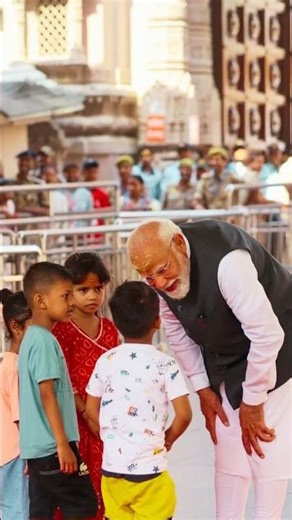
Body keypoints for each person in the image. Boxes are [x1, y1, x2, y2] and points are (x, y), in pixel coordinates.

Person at [127, 219, 292, 520]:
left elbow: (268, 335)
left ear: (178, 244)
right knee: (228, 449)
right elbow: (176, 331)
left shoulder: (228, 264)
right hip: (225, 357)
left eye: (163, 271)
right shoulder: (162, 276)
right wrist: (202, 389)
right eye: (149, 278)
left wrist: (253, 401)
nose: (160, 283)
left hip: (280, 349)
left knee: (264, 450)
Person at [86, 281, 192, 520]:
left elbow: (91, 408)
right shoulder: (165, 364)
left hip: (112, 472)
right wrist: (168, 439)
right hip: (150, 473)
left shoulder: (106, 360)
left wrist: (111, 431)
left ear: (116, 322)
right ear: (158, 321)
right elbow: (184, 415)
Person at [18, 262, 98, 519]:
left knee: (41, 511)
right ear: (40, 300)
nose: (72, 302)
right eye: (65, 296)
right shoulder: (43, 341)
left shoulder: (30, 338)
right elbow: (47, 394)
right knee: (83, 504)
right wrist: (63, 444)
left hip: (38, 449)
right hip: (53, 447)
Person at [53, 252, 119, 520]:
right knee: (79, 489)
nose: (92, 296)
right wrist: (86, 412)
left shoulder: (110, 329)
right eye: (83, 290)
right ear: (68, 291)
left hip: (106, 420)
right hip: (77, 421)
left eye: (98, 289)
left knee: (105, 485)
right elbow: (64, 378)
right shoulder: (63, 330)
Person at [0, 289, 32, 520]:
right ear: (16, 327)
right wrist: (32, 453)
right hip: (16, 453)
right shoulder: (15, 367)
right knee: (19, 510)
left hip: (7, 452)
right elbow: (21, 417)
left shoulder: (8, 364)